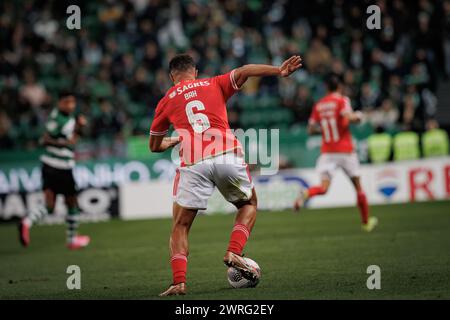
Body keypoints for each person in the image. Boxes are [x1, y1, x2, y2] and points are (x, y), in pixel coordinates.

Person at [149, 54, 302, 296]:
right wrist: (278, 71)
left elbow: (154, 146)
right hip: (226, 154)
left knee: (180, 226)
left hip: (193, 163)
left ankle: (179, 282)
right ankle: (234, 251)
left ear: (171, 77)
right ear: (195, 72)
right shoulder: (214, 83)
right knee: (248, 204)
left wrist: (172, 141)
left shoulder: (165, 101)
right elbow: (246, 69)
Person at [293, 74, 378, 232]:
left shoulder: (319, 105)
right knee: (358, 188)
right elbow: (348, 117)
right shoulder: (342, 100)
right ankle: (366, 222)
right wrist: (359, 116)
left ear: (326, 88)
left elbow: (311, 130)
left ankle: (306, 193)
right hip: (345, 151)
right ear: (339, 87)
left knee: (323, 188)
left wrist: (324, 129)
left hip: (328, 152)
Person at [18, 91, 90, 250]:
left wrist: (78, 127)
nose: (71, 105)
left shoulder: (62, 117)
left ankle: (27, 222)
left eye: (73, 102)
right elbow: (52, 140)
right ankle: (72, 239)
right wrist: (72, 136)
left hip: (48, 165)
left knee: (50, 205)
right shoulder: (61, 119)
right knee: (72, 202)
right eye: (67, 102)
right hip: (61, 166)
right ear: (60, 103)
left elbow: (60, 138)